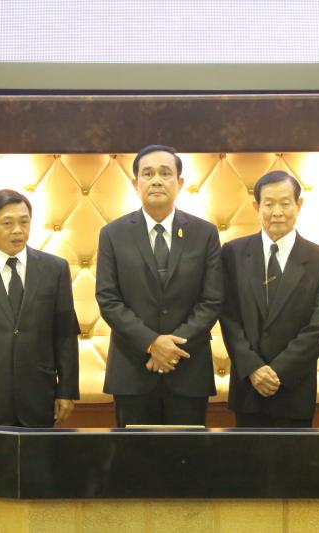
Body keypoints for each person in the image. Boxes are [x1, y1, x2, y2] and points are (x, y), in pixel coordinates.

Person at [95, 144, 223, 427]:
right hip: (132, 368)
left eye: (165, 173)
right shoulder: (113, 234)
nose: (156, 180)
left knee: (188, 451)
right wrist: (151, 343)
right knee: (133, 453)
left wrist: (171, 348)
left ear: (180, 183)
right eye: (147, 174)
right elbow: (108, 299)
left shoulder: (204, 233)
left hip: (189, 368)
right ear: (135, 184)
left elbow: (212, 300)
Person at [0, 189, 80, 427]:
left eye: (24, 222)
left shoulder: (55, 269)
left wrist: (67, 390)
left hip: (40, 394)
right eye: (7, 223)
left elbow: (65, 335)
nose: (18, 230)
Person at [220, 170, 319, 428]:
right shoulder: (233, 253)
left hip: (294, 388)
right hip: (248, 387)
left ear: (299, 205)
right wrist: (253, 368)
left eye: (285, 203)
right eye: (269, 204)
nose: (277, 212)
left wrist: (278, 372)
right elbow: (227, 315)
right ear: (256, 207)